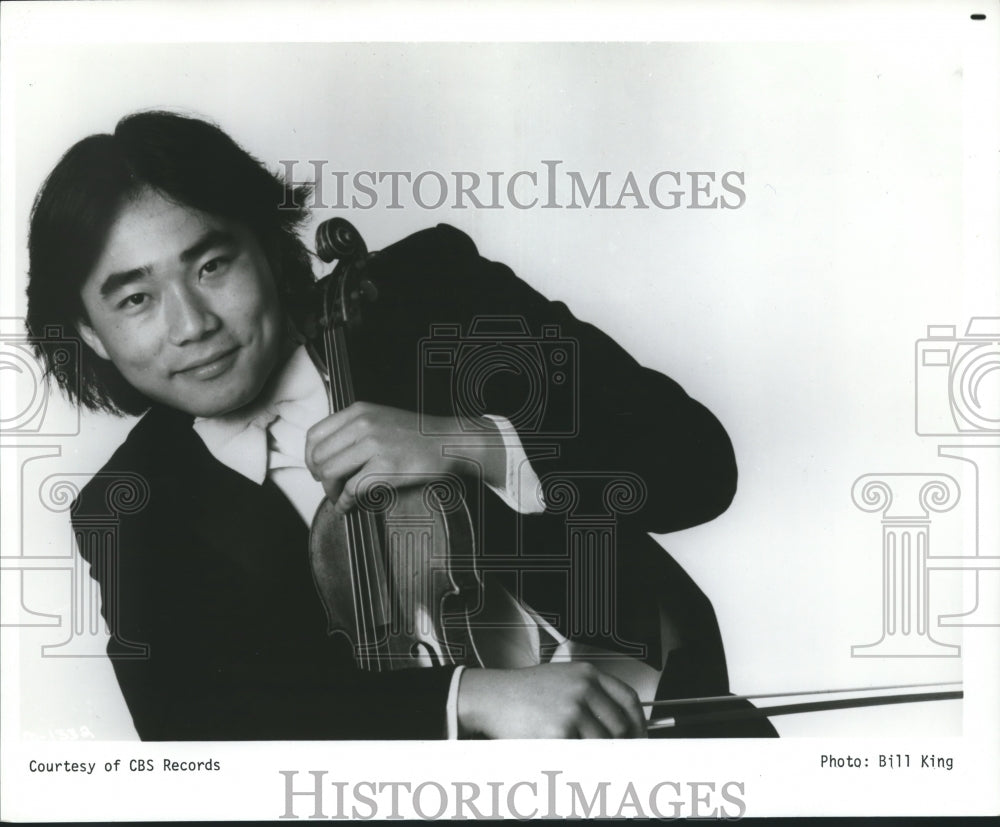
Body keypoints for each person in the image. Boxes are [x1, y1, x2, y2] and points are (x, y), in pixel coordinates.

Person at [26, 110, 772, 740]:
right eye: (134, 300)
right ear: (90, 334)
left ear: (268, 244)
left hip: (668, 726)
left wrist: (472, 442)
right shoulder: (131, 506)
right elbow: (197, 731)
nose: (191, 324)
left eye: (212, 265)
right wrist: (468, 697)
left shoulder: (427, 298)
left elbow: (698, 464)